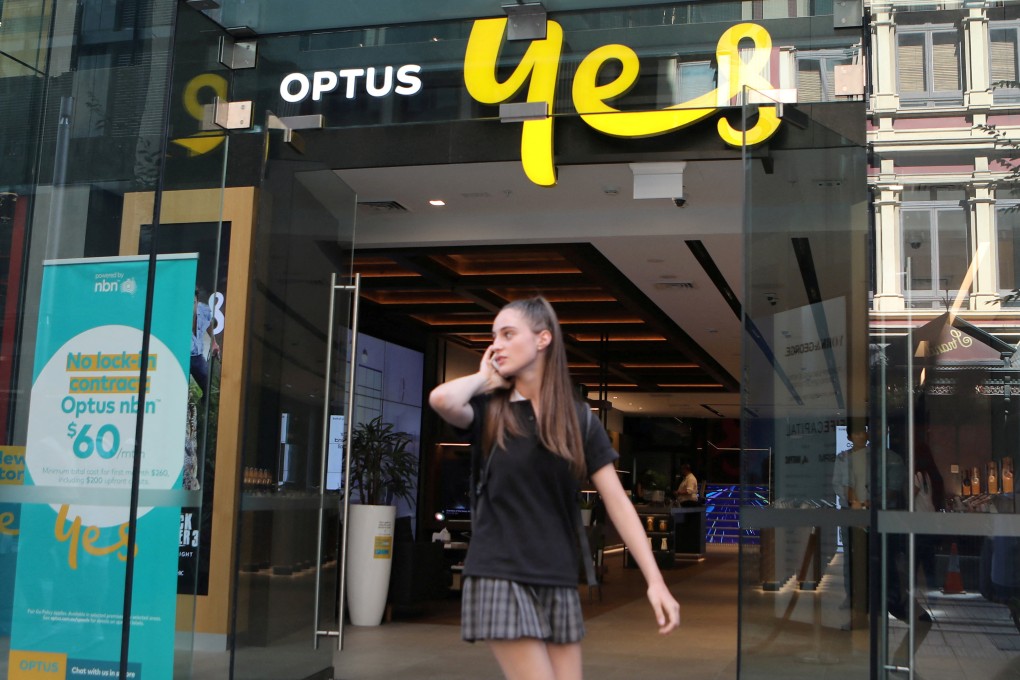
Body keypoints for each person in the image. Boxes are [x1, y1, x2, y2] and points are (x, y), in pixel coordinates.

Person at [429, 296, 680, 680]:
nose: (497, 344)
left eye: (509, 334)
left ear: (543, 339)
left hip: (556, 573)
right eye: (493, 335)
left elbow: (617, 502)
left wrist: (655, 581)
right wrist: (486, 377)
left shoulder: (578, 419)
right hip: (499, 570)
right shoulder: (490, 409)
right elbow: (441, 399)